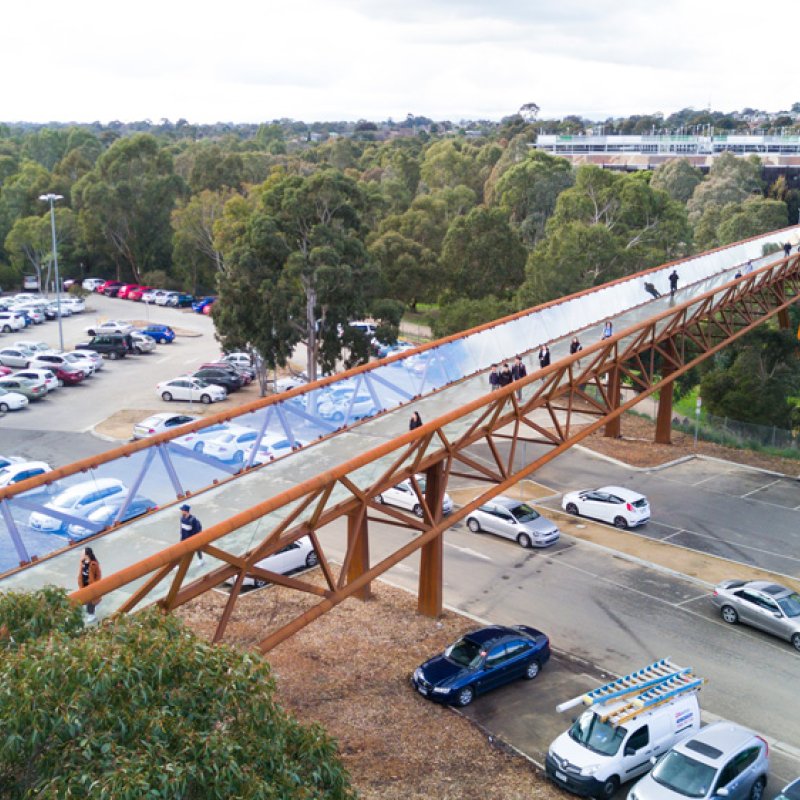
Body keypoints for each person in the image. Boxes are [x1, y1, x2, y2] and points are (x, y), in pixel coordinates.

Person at [78, 547, 101, 623]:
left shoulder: (93, 564)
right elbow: (81, 573)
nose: (81, 554)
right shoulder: (82, 562)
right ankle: (91, 611)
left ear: (87, 555)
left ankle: (91, 615)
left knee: (90, 601)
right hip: (83, 584)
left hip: (91, 585)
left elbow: (98, 575)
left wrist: (96, 585)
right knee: (86, 599)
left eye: (82, 553)